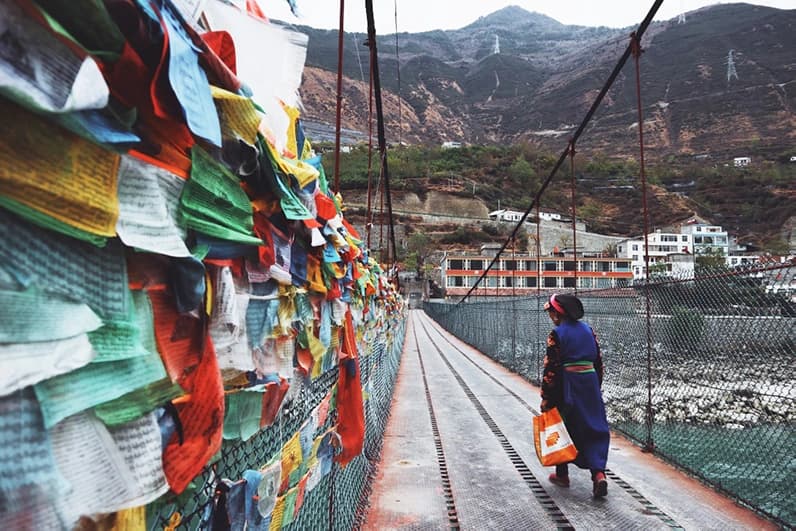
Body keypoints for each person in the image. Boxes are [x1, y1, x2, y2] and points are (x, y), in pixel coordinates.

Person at [540, 293, 610, 498]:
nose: (550, 315)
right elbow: (598, 362)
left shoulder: (557, 334)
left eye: (551, 311)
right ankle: (598, 475)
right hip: (588, 382)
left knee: (562, 425)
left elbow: (551, 368)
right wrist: (595, 387)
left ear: (557, 313)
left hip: (567, 383)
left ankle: (562, 475)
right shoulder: (589, 330)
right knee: (593, 426)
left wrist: (546, 396)